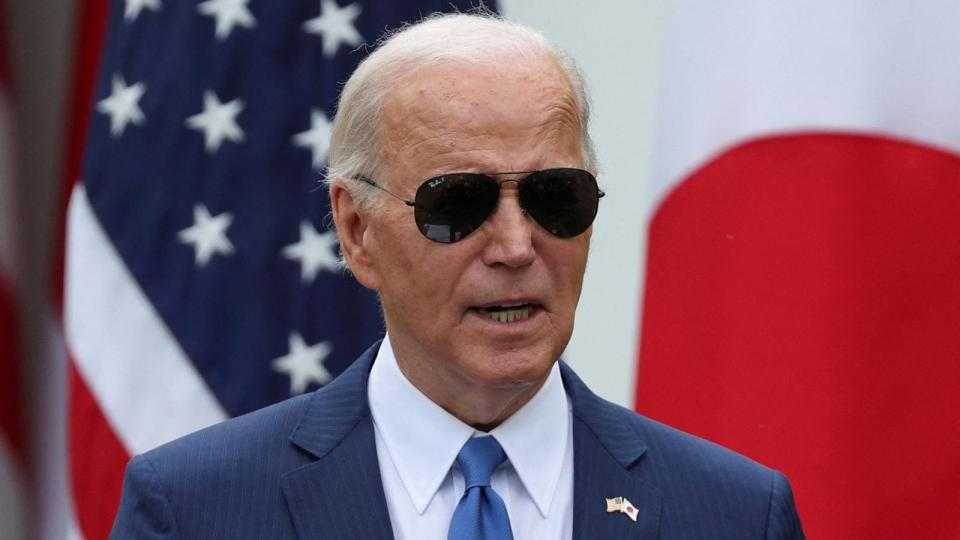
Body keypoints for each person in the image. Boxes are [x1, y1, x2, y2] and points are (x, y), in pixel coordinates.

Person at [111, 12, 805, 539]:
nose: (513, 246)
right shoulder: (195, 511)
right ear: (357, 231)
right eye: (458, 203)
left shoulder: (736, 515)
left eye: (554, 197)